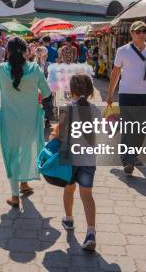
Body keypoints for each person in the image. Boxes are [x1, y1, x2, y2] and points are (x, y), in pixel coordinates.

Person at [0, 37, 52, 208]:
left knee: (12, 155)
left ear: (8, 51)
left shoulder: (2, 69)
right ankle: (24, 184)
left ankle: (15, 195)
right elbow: (47, 92)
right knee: (26, 150)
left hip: (9, 121)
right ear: (26, 51)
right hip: (30, 121)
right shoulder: (35, 69)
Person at [106, 21, 146, 175]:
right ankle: (127, 160)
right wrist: (110, 93)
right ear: (132, 33)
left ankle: (133, 155)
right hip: (126, 94)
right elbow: (115, 72)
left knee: (140, 129)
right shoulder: (123, 50)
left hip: (144, 94)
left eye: (144, 31)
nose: (141, 34)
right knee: (128, 128)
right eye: (138, 31)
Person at [50, 74, 100, 251]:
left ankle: (69, 219)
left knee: (69, 189)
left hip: (68, 158)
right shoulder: (95, 110)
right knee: (87, 195)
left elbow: (60, 133)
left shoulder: (66, 108)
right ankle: (91, 232)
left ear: (71, 91)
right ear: (90, 91)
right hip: (88, 158)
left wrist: (52, 135)